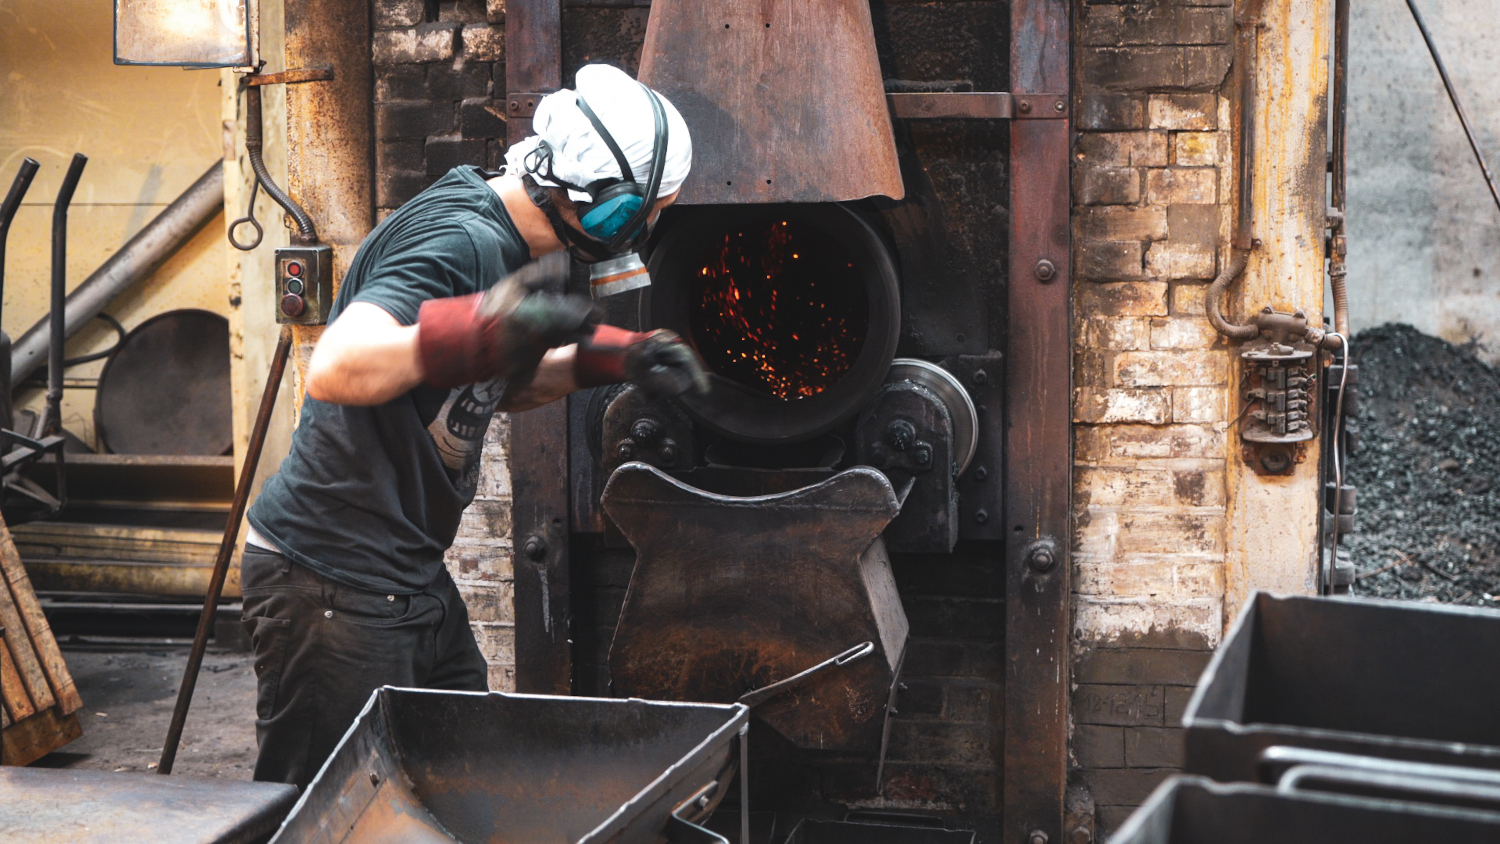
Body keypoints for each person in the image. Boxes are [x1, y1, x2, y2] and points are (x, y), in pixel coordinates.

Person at [239, 64, 705, 786]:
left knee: (459, 775)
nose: (643, 234)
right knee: (324, 816)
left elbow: (494, 390)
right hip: (331, 580)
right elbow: (338, 364)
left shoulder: (513, 242)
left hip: (403, 572)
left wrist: (611, 360)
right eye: (648, 215)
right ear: (609, 211)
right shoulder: (460, 242)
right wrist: (489, 329)